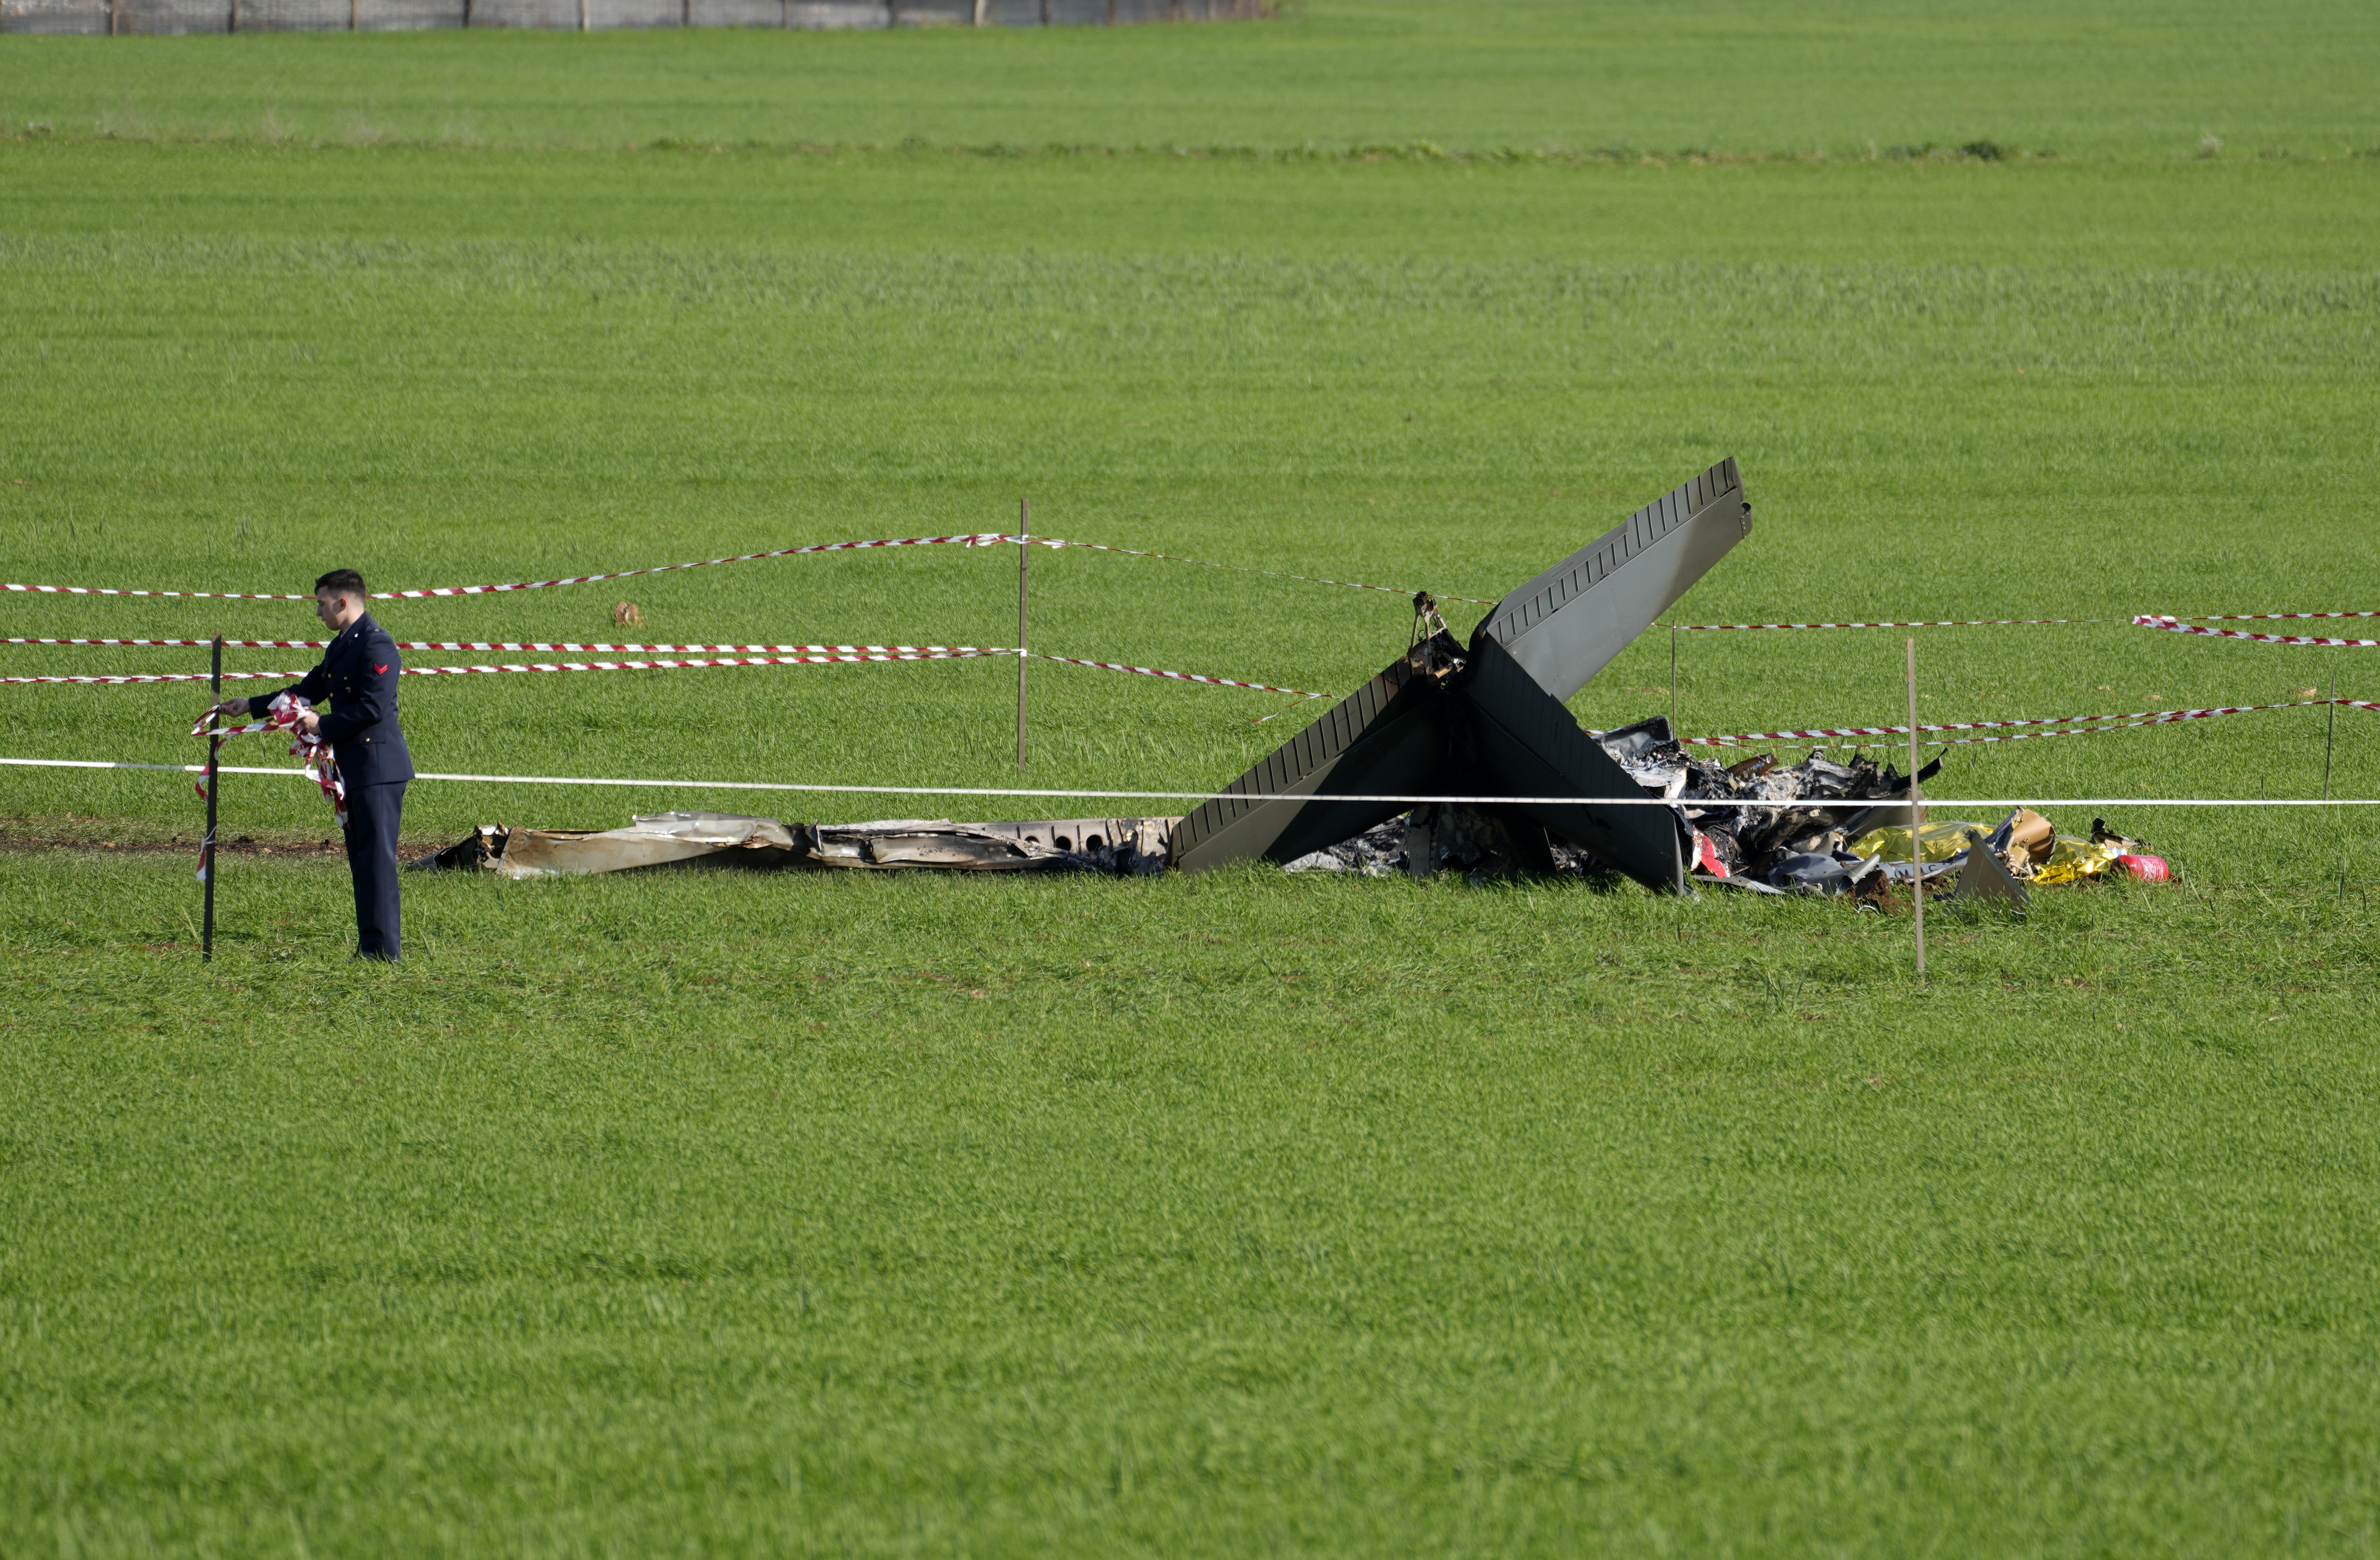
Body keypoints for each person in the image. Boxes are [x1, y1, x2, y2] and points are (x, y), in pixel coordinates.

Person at [214, 570, 414, 961]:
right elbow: (310, 689)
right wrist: (252, 705)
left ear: (343, 602)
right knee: (362, 860)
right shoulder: (342, 645)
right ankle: (370, 948)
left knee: (377, 862)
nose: (318, 612)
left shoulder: (378, 646)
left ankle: (386, 954)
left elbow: (373, 709)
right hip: (354, 767)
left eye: (322, 604)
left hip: (379, 768)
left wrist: (322, 725)